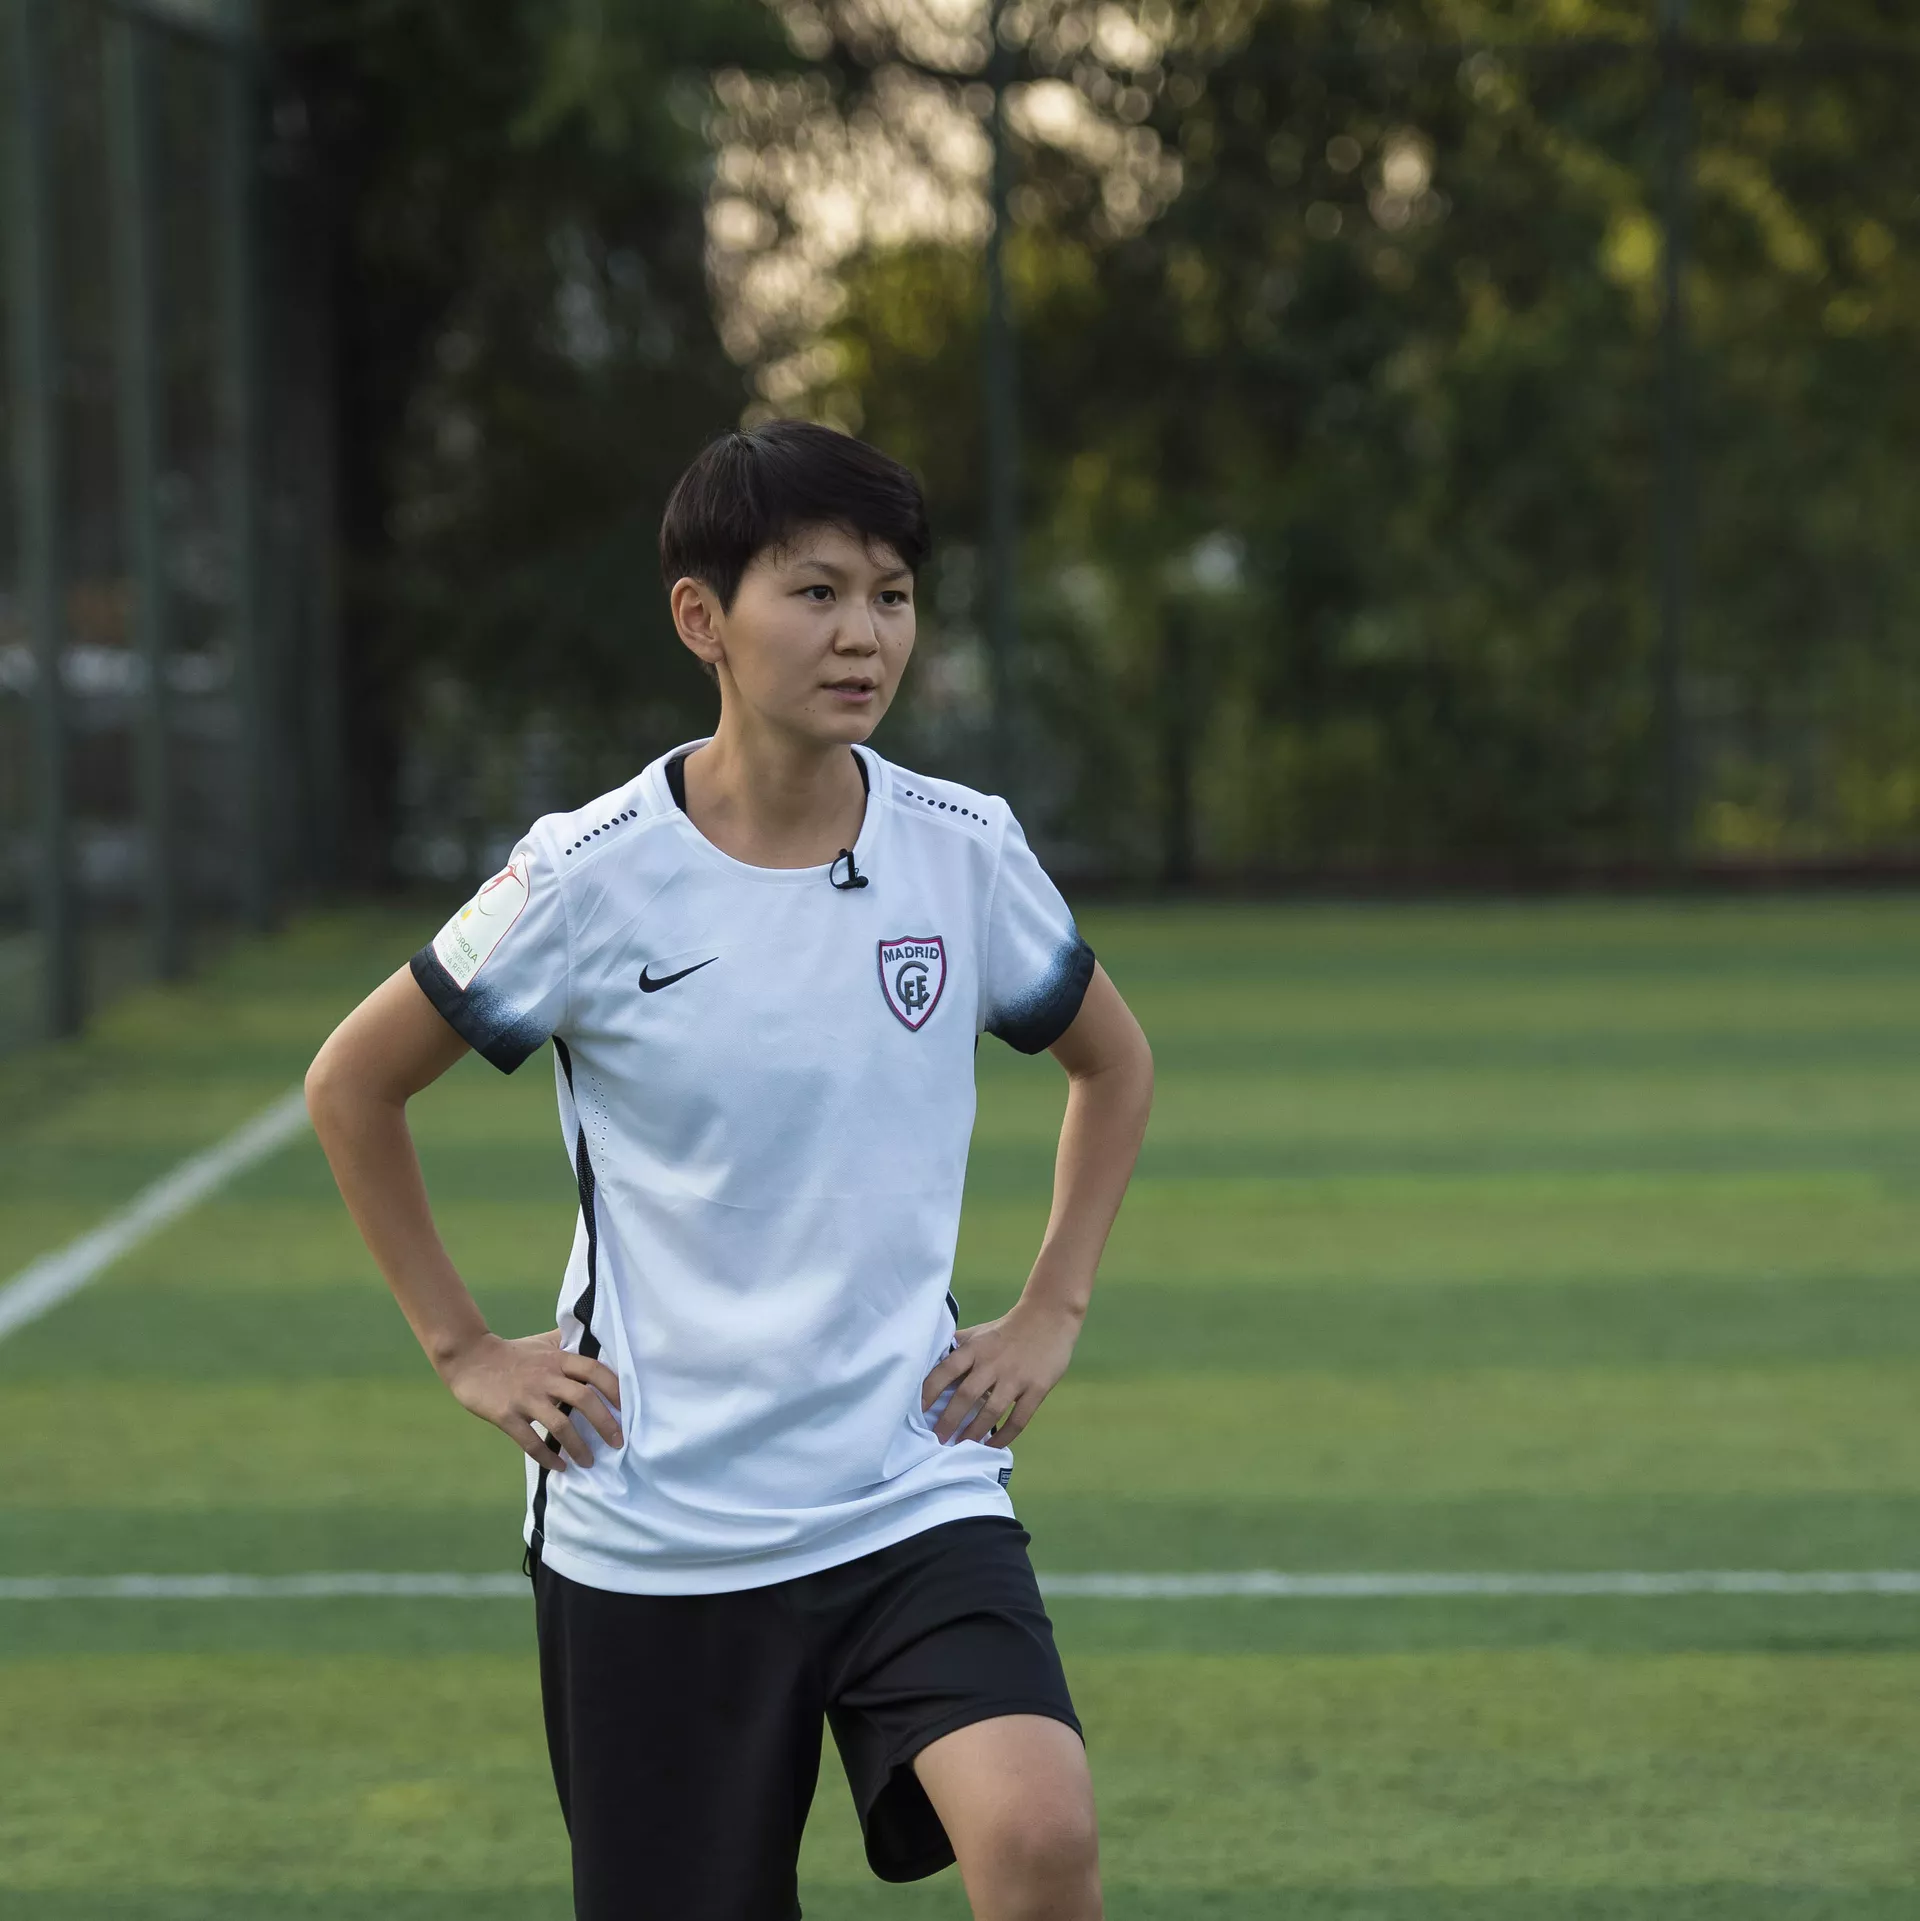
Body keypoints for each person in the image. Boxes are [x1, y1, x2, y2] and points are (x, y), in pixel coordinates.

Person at [305, 419, 1155, 1921]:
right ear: (702, 617)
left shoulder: (965, 849)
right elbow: (353, 1085)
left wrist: (1052, 1310)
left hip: (907, 1485)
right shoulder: (583, 872)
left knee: (1040, 1837)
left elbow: (1114, 1060)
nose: (864, 634)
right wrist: (464, 1349)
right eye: (815, 592)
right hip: (655, 1522)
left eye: (892, 595)